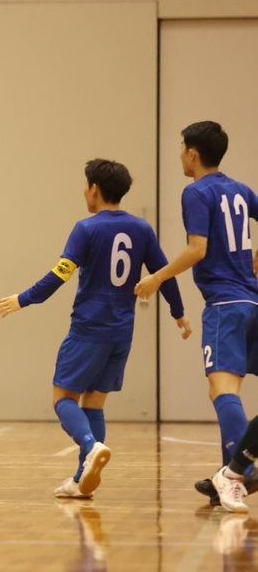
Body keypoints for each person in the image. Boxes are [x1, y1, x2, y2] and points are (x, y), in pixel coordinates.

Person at [0, 158, 191, 498]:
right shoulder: (141, 229)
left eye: (86, 186)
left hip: (88, 328)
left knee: (62, 398)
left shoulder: (86, 229)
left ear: (94, 190)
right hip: (121, 332)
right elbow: (163, 274)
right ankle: (80, 480)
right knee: (94, 404)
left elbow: (59, 275)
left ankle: (89, 444)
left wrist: (22, 299)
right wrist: (179, 312)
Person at [134, 121, 258, 502]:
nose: (180, 155)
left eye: (181, 147)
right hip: (252, 301)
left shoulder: (196, 192)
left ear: (192, 153)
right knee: (221, 391)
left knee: (223, 390)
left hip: (224, 304)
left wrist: (156, 277)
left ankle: (241, 472)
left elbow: (196, 250)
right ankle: (229, 473)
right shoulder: (239, 189)